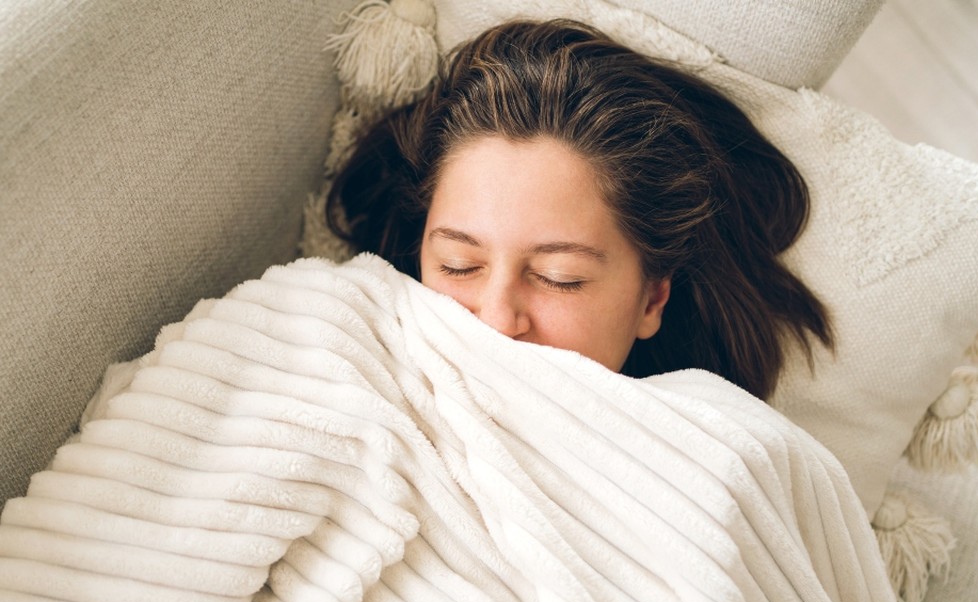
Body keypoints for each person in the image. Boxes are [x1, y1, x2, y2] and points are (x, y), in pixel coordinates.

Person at [328, 19, 833, 399]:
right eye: (458, 265)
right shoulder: (333, 350)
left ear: (652, 299)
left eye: (558, 276)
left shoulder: (721, 467)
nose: (498, 320)